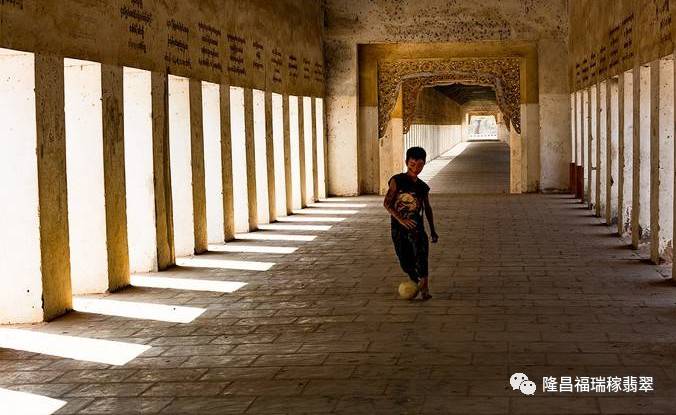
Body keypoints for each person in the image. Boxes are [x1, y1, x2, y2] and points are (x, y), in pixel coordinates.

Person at [383, 146, 438, 300]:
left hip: (417, 228)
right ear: (406, 162)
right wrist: (401, 220)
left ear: (424, 164)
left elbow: (427, 208)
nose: (415, 169)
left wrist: (432, 230)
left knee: (421, 255)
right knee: (405, 260)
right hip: (398, 228)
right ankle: (415, 281)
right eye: (412, 164)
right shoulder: (397, 181)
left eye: (420, 165)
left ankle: (424, 286)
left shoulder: (422, 187)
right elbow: (387, 203)